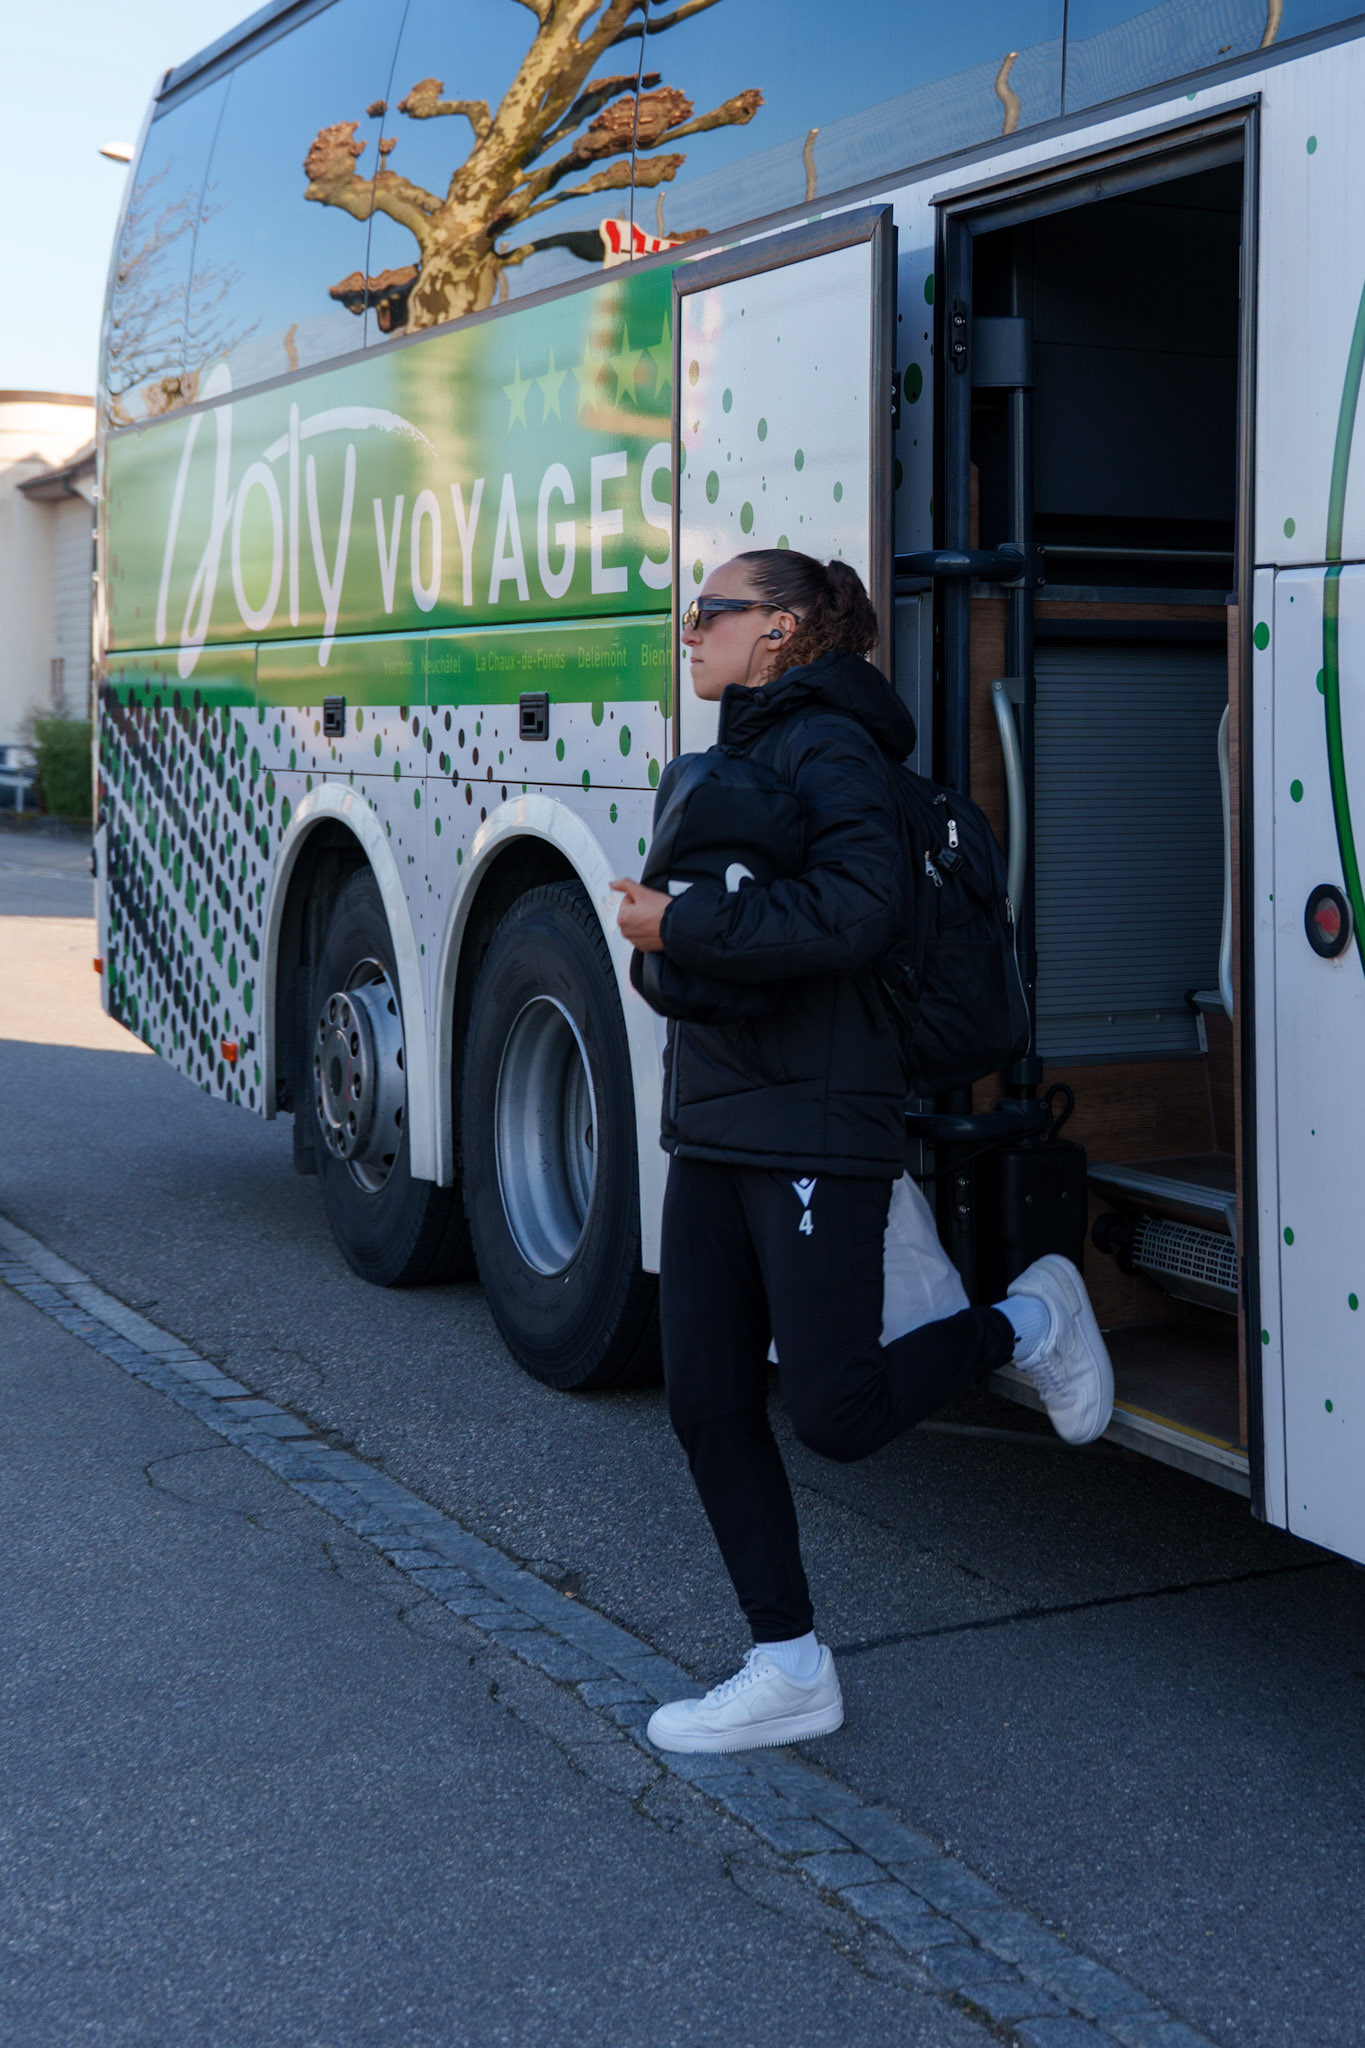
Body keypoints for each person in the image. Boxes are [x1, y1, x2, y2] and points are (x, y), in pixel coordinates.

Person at [611, 549, 1112, 1756]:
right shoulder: (750, 747)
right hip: (720, 1118)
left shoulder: (832, 747)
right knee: (707, 1397)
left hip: (815, 1125)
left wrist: (680, 921)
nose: (692, 632)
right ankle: (788, 1664)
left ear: (779, 629)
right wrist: (672, 937)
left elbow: (853, 912)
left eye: (710, 614)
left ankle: (1030, 1321)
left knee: (834, 1408)